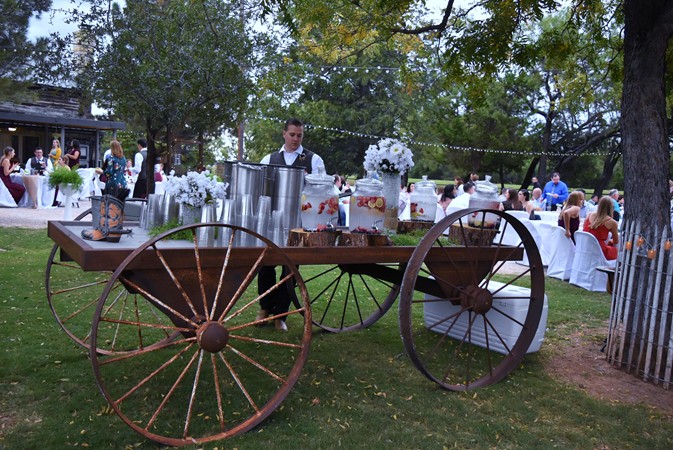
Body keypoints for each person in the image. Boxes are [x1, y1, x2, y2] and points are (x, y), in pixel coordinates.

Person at [257, 118, 326, 332]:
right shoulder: (269, 159)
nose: (296, 139)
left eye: (300, 135)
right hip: (273, 220)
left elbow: (321, 191)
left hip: (300, 222)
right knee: (265, 264)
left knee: (291, 267)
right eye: (292, 134)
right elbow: (261, 188)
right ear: (284, 134)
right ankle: (265, 308)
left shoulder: (314, 160)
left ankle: (281, 314)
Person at [583, 196, 619, 260]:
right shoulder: (611, 222)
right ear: (611, 208)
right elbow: (616, 242)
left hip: (585, 248)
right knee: (617, 252)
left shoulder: (589, 215)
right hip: (599, 251)